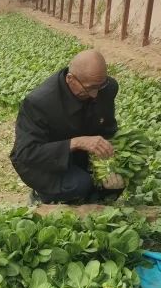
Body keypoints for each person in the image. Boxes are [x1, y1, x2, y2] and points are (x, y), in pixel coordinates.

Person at [10, 49, 125, 204]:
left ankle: (94, 200)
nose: (94, 95)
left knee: (119, 176)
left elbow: (108, 130)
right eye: (89, 88)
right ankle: (42, 195)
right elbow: (25, 154)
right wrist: (76, 142)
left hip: (82, 156)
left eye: (99, 86)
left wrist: (111, 165)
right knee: (80, 183)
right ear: (71, 79)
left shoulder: (105, 88)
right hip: (45, 160)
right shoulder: (40, 102)